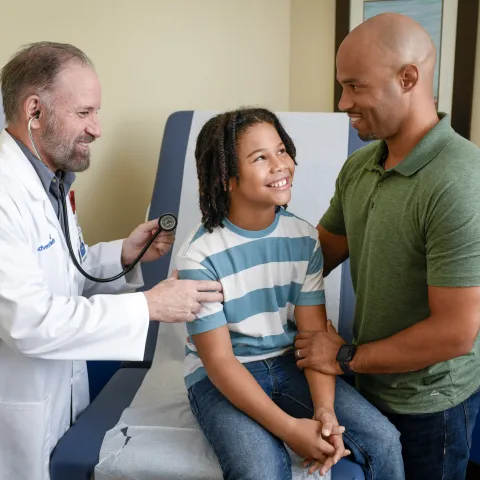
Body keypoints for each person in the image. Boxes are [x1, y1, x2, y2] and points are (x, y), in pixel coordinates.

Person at [0, 42, 222, 480]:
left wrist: (124, 254)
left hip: (58, 397)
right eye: (84, 113)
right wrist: (149, 306)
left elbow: (66, 274)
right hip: (17, 414)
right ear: (34, 111)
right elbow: (30, 320)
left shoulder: (51, 182)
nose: (97, 129)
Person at [294, 12, 480, 480]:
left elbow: (456, 332)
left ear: (408, 78)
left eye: (355, 87)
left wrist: (342, 356)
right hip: (365, 386)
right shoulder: (360, 167)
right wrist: (228, 261)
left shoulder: (460, 181)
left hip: (429, 406)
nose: (342, 103)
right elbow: (318, 254)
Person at [176, 107, 405, 479]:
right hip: (224, 376)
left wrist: (325, 411)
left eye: (282, 150)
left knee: (384, 441)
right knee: (261, 471)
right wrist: (291, 430)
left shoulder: (303, 239)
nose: (280, 165)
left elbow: (313, 338)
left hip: (290, 363)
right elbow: (220, 363)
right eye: (260, 158)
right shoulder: (198, 255)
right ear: (227, 178)